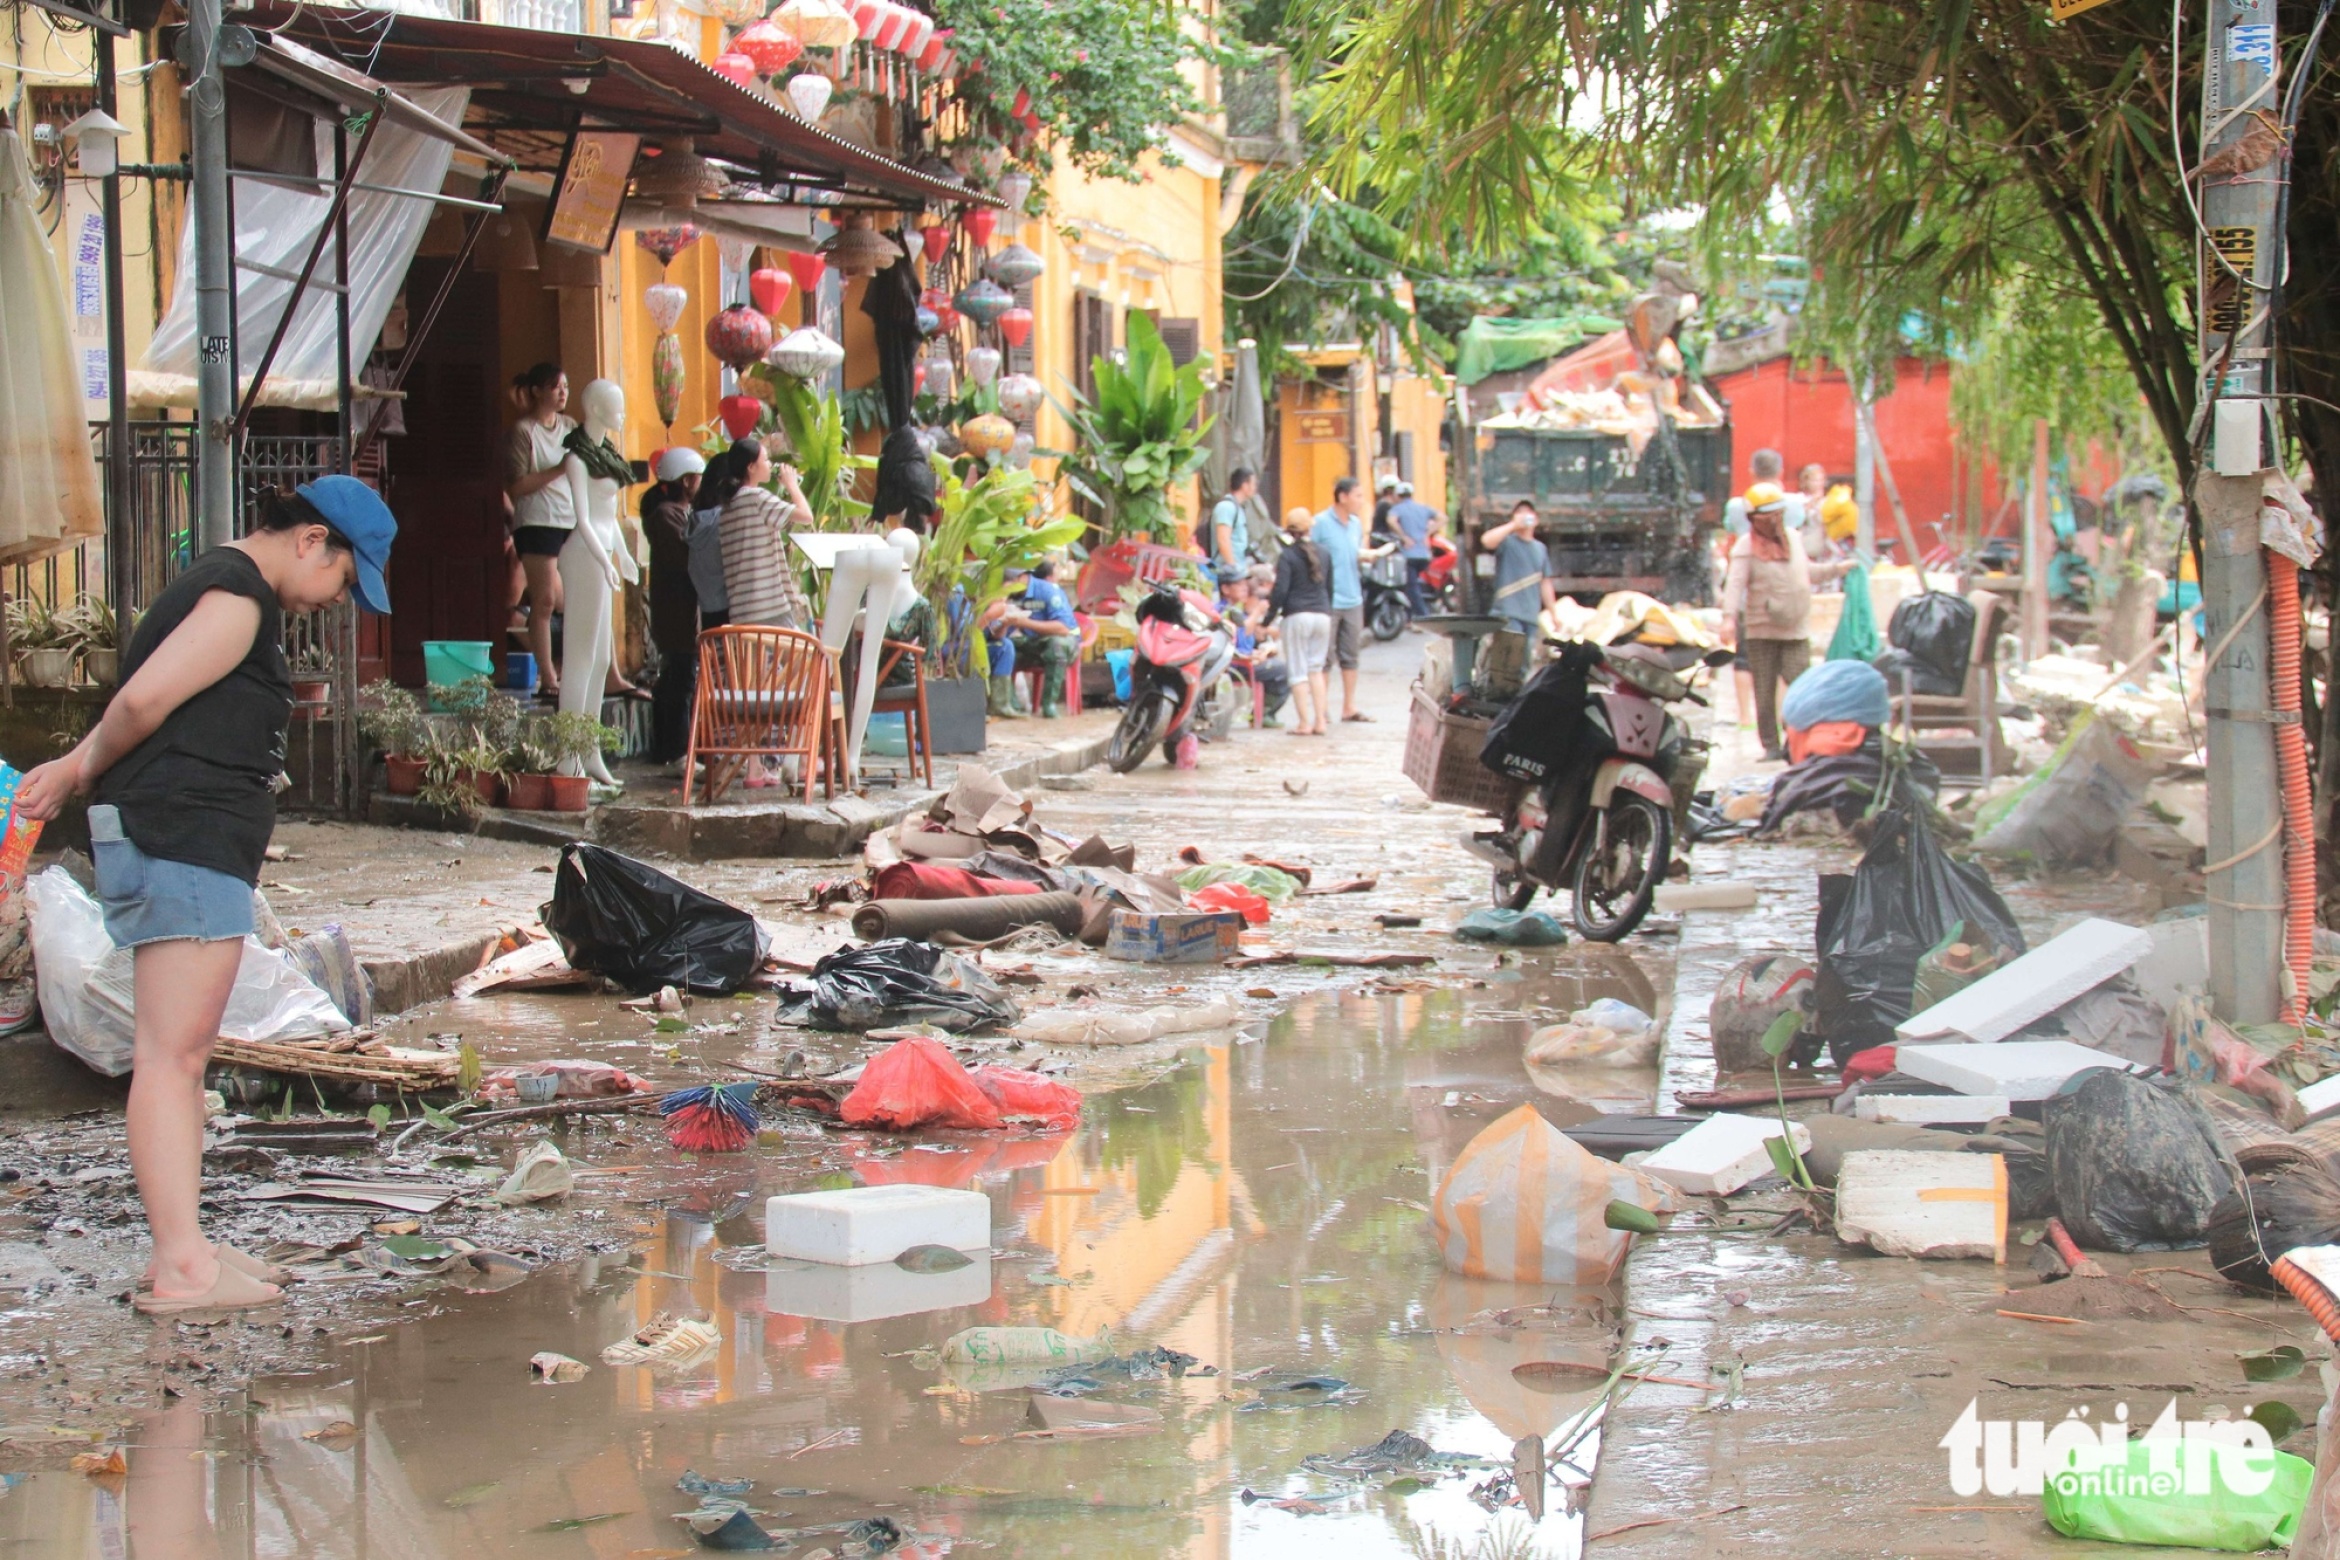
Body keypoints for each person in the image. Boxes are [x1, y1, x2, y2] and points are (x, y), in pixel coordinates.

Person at [17, 477, 395, 1313]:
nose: (337, 599)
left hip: (190, 840)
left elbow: (150, 702)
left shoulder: (231, 593)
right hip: (181, 838)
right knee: (172, 1055)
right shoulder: (239, 600)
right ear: (310, 541)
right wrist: (79, 768)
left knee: (182, 1058)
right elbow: (141, 702)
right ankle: (182, 1268)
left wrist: (79, 766)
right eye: (343, 578)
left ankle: (185, 1242)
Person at [1723, 481, 1854, 760]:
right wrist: (1728, 618)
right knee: (1765, 689)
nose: (1773, 522)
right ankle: (1770, 744)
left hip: (1796, 627)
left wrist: (1836, 570)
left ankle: (1797, 739)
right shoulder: (1746, 547)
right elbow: (1735, 585)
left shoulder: (1793, 538)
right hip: (1762, 629)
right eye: (1766, 517)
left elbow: (1807, 572)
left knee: (1801, 685)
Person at [501, 362, 574, 701]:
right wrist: (559, 469)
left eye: (566, 387)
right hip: (537, 522)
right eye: (556, 386)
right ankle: (548, 678)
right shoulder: (523, 431)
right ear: (537, 391)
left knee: (569, 600)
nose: (563, 393)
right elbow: (517, 485)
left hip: (570, 521)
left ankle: (569, 668)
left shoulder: (571, 427)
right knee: (543, 601)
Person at [643, 447, 705, 765]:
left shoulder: (675, 513)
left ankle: (671, 748)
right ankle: (676, 749)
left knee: (679, 680)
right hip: (675, 613)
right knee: (678, 683)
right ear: (686, 480)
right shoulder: (667, 515)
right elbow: (685, 560)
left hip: (681, 613)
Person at [1311, 476, 1389, 722]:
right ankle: (1321, 709)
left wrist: (1366, 556)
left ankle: (1349, 706)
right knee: (1324, 657)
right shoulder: (1321, 523)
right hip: (1328, 598)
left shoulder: (1356, 524)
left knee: (1350, 655)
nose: (1361, 501)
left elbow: (1352, 553)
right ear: (1342, 497)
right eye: (1358, 496)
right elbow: (1311, 556)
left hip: (1353, 596)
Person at [716, 439, 814, 629]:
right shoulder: (756, 497)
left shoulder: (727, 508)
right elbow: (806, 516)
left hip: (741, 610)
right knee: (807, 655)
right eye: (766, 459)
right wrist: (792, 485)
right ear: (751, 467)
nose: (770, 465)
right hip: (769, 607)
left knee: (755, 660)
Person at [983, 558, 1080, 718]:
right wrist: (1005, 621)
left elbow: (1063, 628)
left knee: (1056, 646)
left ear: (1022, 577)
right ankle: (1010, 704)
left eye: (1011, 581)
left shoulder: (1048, 591)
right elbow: (997, 635)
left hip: (1063, 642)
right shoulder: (1010, 595)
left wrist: (1024, 622)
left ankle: (1048, 705)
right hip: (1032, 642)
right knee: (1004, 646)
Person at [1263, 517, 1333, 735]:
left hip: (1297, 616)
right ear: (1309, 528)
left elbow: (1280, 591)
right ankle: (1320, 721)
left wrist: (1268, 619)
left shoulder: (1287, 555)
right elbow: (1330, 587)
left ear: (1289, 531)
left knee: (1298, 672)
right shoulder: (1324, 552)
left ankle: (1304, 723)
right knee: (1316, 669)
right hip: (1322, 615)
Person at [1481, 498, 1555, 646]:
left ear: (1536, 520)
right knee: (1508, 660)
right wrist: (1513, 525)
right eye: (1519, 513)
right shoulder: (1507, 542)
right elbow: (1487, 541)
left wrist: (1554, 614)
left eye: (1528, 513)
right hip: (1508, 614)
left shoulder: (1540, 549)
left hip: (1530, 616)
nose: (1524, 516)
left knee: (1525, 663)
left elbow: (1545, 583)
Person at [1387, 479, 1443, 621]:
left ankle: (1422, 616)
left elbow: (1391, 520)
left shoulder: (1398, 509)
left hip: (1409, 554)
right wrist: (1427, 533)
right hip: (1424, 553)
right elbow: (1443, 518)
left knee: (1410, 587)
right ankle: (1417, 614)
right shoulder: (1423, 508)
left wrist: (1403, 537)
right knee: (1418, 584)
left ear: (1398, 496)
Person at [1210, 468, 1257, 586]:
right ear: (1245, 485)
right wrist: (1233, 567)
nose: (1255, 488)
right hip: (1226, 571)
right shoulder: (1226, 507)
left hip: (1238, 568)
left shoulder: (1238, 508)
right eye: (1253, 484)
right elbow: (1223, 539)